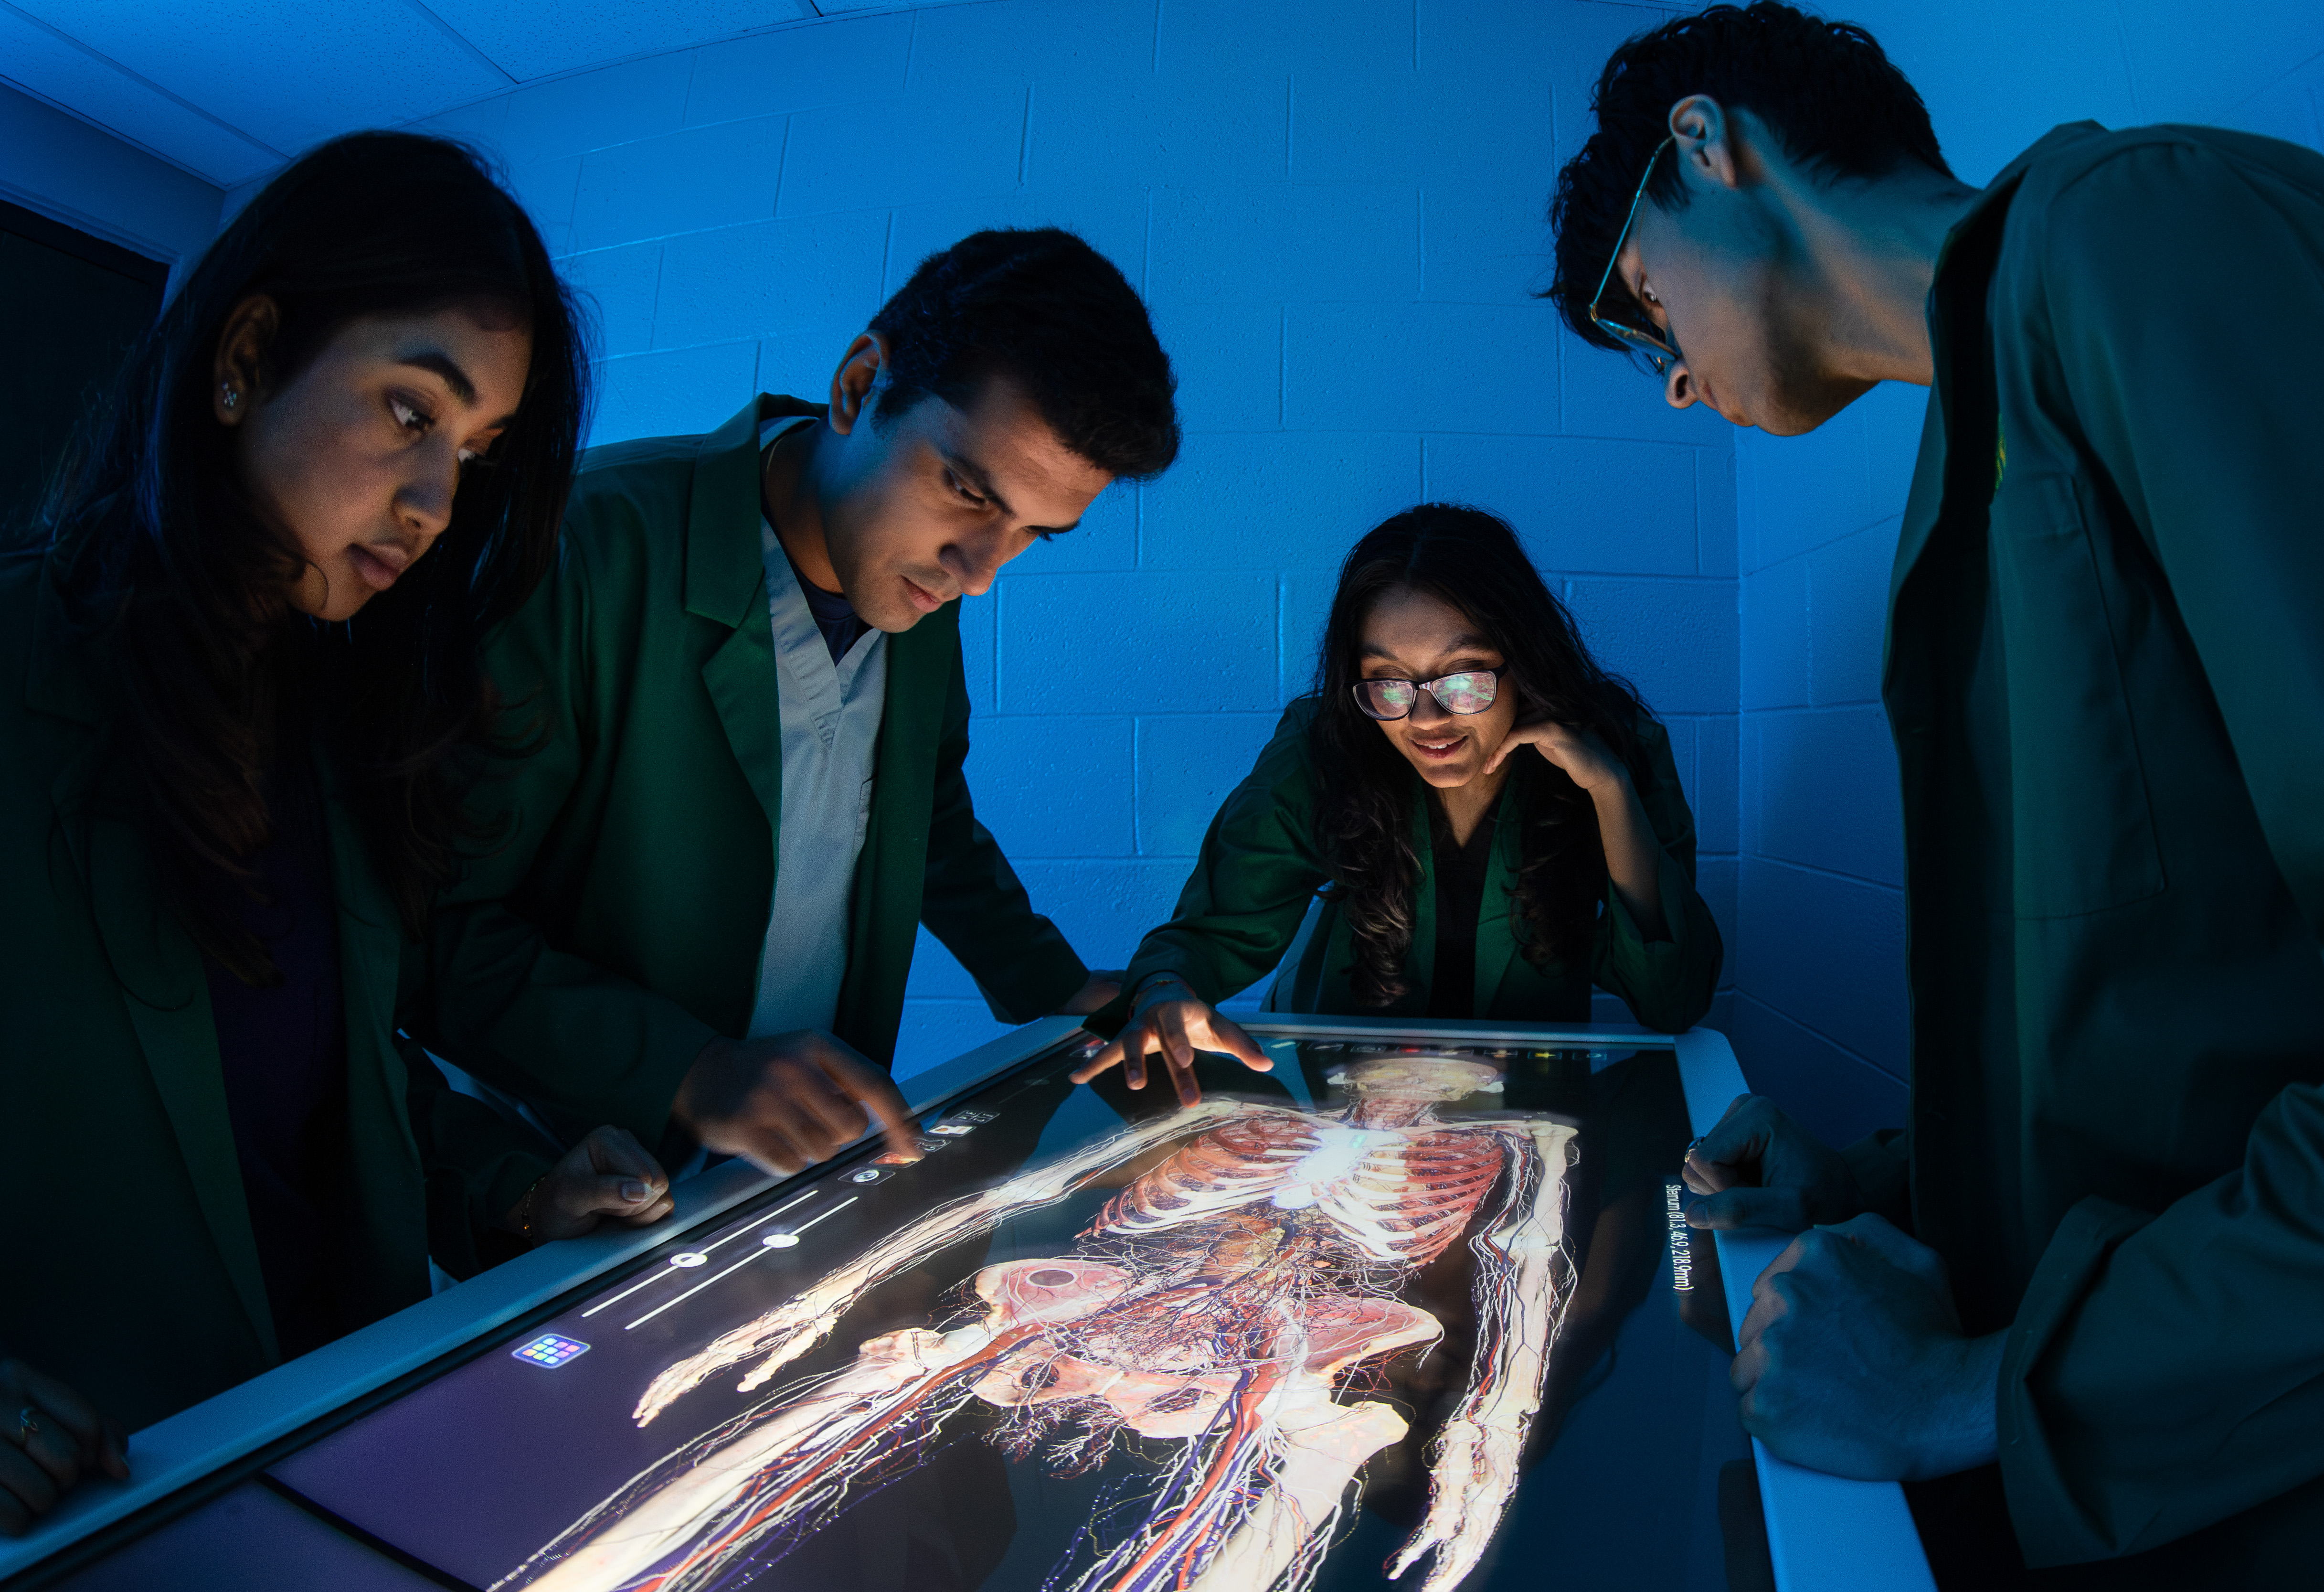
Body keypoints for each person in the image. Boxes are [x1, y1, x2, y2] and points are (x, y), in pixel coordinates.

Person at [1549, 3, 2324, 1583]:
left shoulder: (2144, 233)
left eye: (1643, 306)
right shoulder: (1970, 451)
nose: (1669, 382)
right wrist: (1877, 1179)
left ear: (1707, 145)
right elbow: (2176, 1016)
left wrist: (1981, 1384)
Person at [0, 133, 675, 1536]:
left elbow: (328, 1076)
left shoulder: (336, 711)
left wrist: (513, 1186)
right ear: (245, 355)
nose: (433, 506)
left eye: (474, 456)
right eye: (408, 413)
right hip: (91, 1512)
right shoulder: (21, 675)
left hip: (332, 1454)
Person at [418, 228, 1176, 1177]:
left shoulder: (917, 589)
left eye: (1032, 534)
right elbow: (432, 928)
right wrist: (689, 1069)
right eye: (967, 491)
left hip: (793, 1167)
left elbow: (922, 816)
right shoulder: (580, 549)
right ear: (859, 385)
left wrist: (1057, 985)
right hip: (568, 1177)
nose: (981, 573)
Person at [1076, 504, 1722, 1106]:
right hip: (1341, 1101)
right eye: (1389, 682)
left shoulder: (1616, 746)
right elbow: (1210, 931)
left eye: (1464, 676)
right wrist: (1165, 994)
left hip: (1528, 1103)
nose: (1427, 718)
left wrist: (1609, 792)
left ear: (1525, 660)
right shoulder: (1324, 743)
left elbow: (1675, 999)